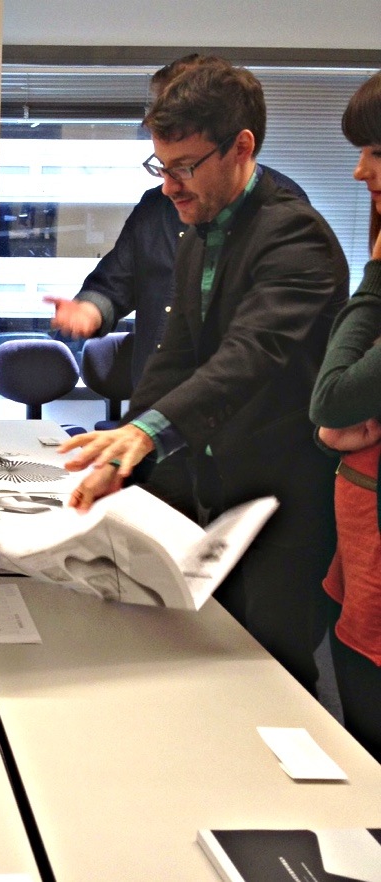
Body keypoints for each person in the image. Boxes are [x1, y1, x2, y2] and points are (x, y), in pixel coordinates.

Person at [57, 63, 348, 695]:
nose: (169, 186)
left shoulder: (295, 234)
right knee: (202, 654)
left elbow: (248, 355)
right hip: (214, 481)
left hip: (281, 497)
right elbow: (176, 355)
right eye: (160, 167)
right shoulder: (200, 229)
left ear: (241, 147)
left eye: (184, 167)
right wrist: (127, 446)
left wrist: (146, 434)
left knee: (273, 670)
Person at [48, 54, 308, 387]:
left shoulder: (285, 216)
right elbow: (115, 282)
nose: (169, 187)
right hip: (158, 402)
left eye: (184, 167)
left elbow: (270, 348)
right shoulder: (155, 207)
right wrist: (90, 310)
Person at [308, 71, 381, 762]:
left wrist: (378, 276)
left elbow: (334, 399)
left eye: (378, 152)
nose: (361, 171)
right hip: (362, 557)